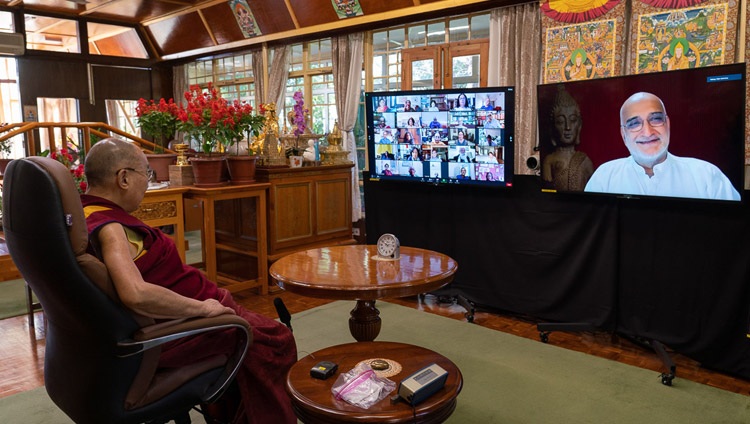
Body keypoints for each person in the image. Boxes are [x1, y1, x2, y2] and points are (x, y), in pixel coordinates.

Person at [80, 138, 297, 424]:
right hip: (183, 328)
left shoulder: (82, 215)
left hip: (172, 319)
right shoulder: (110, 228)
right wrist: (203, 310)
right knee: (276, 341)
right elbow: (135, 293)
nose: (148, 183)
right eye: (146, 175)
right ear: (123, 178)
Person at [584, 92, 740, 201]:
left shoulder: (706, 176)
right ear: (624, 135)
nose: (647, 131)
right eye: (634, 124)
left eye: (656, 119)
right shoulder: (604, 178)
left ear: (668, 124)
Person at [542, 87, 593, 191]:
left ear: (579, 126)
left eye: (573, 120)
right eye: (560, 121)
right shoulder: (549, 160)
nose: (568, 127)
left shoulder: (584, 160)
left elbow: (594, 189)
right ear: (552, 128)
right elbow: (547, 193)